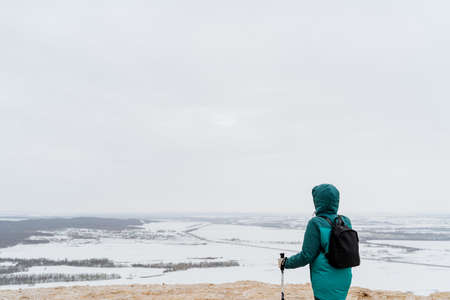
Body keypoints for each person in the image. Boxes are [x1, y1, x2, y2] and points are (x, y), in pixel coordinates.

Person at [278, 184, 352, 300]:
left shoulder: (316, 223)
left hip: (325, 281)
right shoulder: (345, 221)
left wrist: (285, 263)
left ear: (318, 201)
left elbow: (306, 256)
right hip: (344, 278)